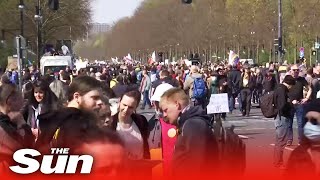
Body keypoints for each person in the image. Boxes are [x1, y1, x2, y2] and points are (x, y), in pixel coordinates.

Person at [159, 88, 219, 177]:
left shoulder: (193, 124)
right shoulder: (188, 123)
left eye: (165, 110)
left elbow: (197, 165)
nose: (164, 115)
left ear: (176, 104)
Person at [36, 76, 104, 151]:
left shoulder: (54, 119)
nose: (100, 102)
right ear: (77, 97)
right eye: (95, 98)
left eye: (100, 98)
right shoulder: (79, 125)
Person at [110, 90, 150, 160]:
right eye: (124, 105)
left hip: (140, 167)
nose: (126, 110)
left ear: (136, 107)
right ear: (119, 101)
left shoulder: (141, 121)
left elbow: (146, 146)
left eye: (130, 107)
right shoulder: (110, 123)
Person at [273, 75, 296, 169]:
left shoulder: (278, 87)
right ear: (289, 84)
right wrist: (291, 104)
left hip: (278, 116)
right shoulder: (283, 90)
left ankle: (277, 162)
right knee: (281, 141)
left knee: (279, 141)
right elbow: (282, 105)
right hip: (282, 117)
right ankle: (278, 163)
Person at [288, 64, 312, 145]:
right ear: (290, 71)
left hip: (299, 103)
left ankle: (301, 140)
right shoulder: (287, 79)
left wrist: (306, 98)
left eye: (297, 70)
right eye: (294, 70)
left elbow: (309, 89)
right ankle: (289, 139)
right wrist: (288, 100)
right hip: (290, 104)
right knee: (289, 123)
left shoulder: (302, 79)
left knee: (300, 123)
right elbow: (282, 89)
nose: (296, 72)